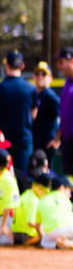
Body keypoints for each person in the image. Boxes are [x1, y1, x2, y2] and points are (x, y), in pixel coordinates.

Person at [0, 50, 36, 173]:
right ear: (22, 66)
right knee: (22, 177)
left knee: (2, 175)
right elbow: (33, 114)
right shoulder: (31, 88)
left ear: (6, 65)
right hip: (23, 139)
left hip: (3, 141)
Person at [34, 173, 73, 249]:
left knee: (44, 242)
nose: (70, 195)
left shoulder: (42, 200)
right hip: (71, 229)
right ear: (61, 188)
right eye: (69, 191)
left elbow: (38, 226)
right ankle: (68, 242)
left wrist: (42, 238)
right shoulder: (66, 200)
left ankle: (59, 244)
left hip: (53, 232)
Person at [31, 61, 60, 161]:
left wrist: (57, 140)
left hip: (46, 144)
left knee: (46, 175)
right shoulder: (33, 94)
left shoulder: (51, 97)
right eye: (37, 74)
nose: (40, 77)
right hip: (34, 142)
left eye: (44, 74)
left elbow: (65, 118)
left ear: (50, 78)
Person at [12, 172, 51, 245]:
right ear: (39, 187)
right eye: (46, 192)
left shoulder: (28, 194)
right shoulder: (33, 200)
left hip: (19, 232)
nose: (46, 195)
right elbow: (31, 223)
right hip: (25, 235)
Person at [55, 47, 73, 175]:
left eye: (61, 62)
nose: (59, 66)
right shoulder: (67, 82)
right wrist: (58, 136)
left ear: (71, 60)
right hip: (67, 143)